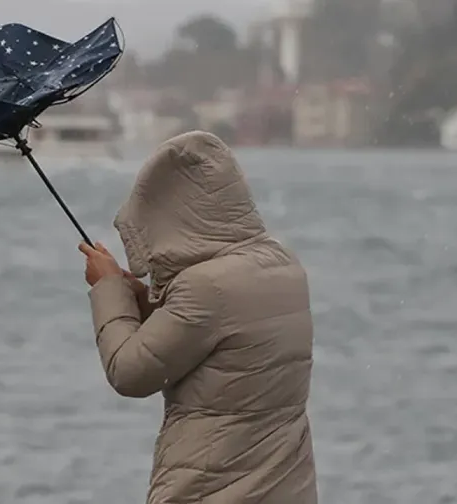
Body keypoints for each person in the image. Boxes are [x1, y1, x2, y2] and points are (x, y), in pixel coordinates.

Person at [78, 131, 317, 503]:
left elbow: (130, 373)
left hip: (212, 487)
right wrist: (140, 300)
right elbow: (218, 342)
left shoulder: (206, 286)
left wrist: (109, 290)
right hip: (281, 484)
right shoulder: (281, 264)